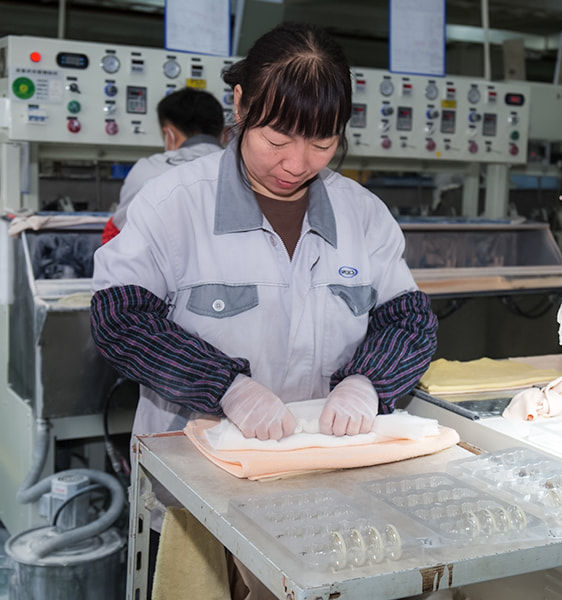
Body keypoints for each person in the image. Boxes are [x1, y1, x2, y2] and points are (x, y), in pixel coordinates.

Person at [90, 22, 438, 447]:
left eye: (322, 143)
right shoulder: (174, 204)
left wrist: (367, 382)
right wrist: (225, 386)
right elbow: (121, 321)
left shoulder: (363, 216)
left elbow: (409, 323)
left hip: (320, 462)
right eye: (277, 140)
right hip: (194, 465)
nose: (296, 164)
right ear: (240, 106)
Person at [101, 87, 225, 243]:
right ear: (224, 134)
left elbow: (120, 232)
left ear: (170, 134)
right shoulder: (241, 168)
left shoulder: (147, 169)